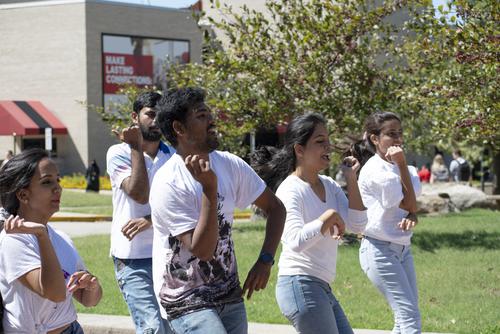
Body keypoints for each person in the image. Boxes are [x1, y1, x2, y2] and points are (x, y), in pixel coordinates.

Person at [150, 87, 286, 334]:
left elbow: (276, 208)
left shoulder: (229, 164)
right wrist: (209, 190)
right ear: (179, 129)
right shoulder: (167, 182)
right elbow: (202, 250)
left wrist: (266, 260)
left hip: (228, 293)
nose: (212, 121)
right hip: (186, 298)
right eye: (201, 116)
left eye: (209, 113)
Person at [251, 113, 367, 334]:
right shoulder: (290, 189)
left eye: (328, 141)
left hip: (321, 287)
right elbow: (294, 241)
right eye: (320, 142)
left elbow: (358, 226)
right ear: (299, 149)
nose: (328, 147)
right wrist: (327, 218)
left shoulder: (330, 185)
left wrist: (351, 179)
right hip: (300, 285)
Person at [0, 148, 102, 333]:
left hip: (72, 328)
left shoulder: (61, 238)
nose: (58, 188)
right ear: (23, 195)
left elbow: (88, 300)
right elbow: (54, 293)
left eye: (58, 180)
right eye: (47, 182)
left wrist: (91, 285)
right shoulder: (14, 240)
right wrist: (41, 235)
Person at [106, 92, 174, 334]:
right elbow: (139, 194)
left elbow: (185, 206)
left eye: (161, 115)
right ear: (135, 117)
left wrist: (150, 219)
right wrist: (135, 147)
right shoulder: (118, 153)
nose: (156, 120)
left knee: (171, 326)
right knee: (153, 327)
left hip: (168, 255)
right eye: (150, 114)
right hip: (132, 257)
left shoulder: (174, 156)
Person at [353, 112, 422, 334]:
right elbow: (409, 203)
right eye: (391, 134)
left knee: (404, 319)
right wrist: (401, 165)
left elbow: (411, 206)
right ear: (375, 139)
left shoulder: (405, 169)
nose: (398, 139)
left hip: (403, 249)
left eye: (400, 133)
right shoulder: (376, 170)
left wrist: (412, 214)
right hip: (379, 249)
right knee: (409, 315)